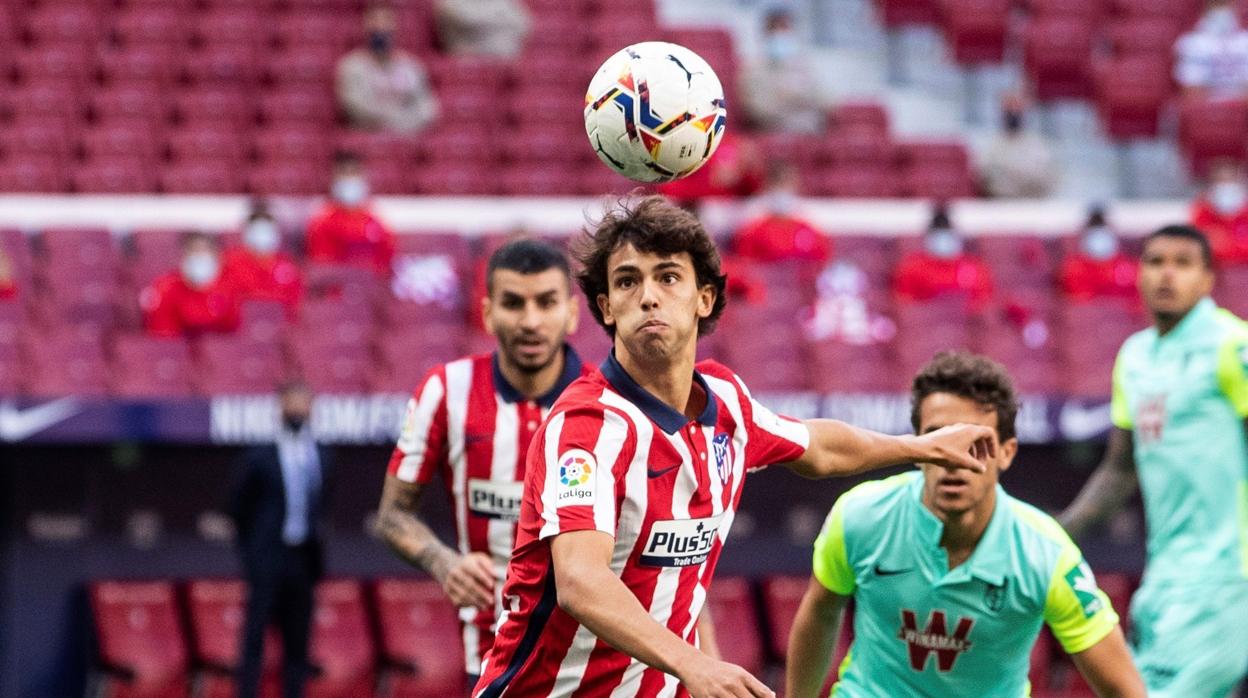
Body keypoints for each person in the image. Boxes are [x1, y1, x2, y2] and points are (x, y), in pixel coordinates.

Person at [472, 196, 996, 697]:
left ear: (705, 299)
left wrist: (920, 446)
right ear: (606, 309)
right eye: (627, 282)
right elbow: (581, 580)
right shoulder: (586, 425)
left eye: (668, 277)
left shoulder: (726, 403)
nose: (648, 296)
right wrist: (697, 665)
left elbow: (820, 447)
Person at [785, 351, 1145, 698]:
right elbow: (821, 611)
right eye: (938, 438)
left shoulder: (1047, 554)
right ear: (916, 445)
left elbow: (1122, 687)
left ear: (1007, 452)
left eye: (975, 442)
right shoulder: (860, 517)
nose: (953, 459)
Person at [376, 239, 589, 685]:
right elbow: (393, 515)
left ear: (571, 313)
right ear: (488, 313)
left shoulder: (609, 401)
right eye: (514, 303)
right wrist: (444, 563)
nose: (530, 321)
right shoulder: (445, 390)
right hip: (492, 654)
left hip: (597, 658)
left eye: (546, 303)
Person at [1059, 225, 1248, 697]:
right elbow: (1120, 469)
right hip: (1163, 577)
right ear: (1138, 275)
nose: (1167, 274)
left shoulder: (1232, 345)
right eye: (1156, 261)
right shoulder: (1135, 356)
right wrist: (1060, 530)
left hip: (1227, 574)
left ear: (1208, 280)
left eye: (1183, 263)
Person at [228, 382, 332, 698]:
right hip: (267, 559)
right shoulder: (260, 456)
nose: (299, 410)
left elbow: (322, 505)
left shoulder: (322, 455)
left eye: (305, 403)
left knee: (298, 642)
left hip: (302, 559)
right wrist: (253, 553)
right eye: (293, 403)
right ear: (281, 406)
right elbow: (237, 506)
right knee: (254, 639)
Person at [336, 3, 439, 133]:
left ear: (395, 28)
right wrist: (389, 120)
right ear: (365, 28)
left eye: (385, 22)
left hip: (407, 137)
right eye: (375, 22)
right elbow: (354, 106)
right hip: (367, 138)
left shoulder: (412, 66)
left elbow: (427, 110)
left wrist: (402, 124)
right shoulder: (351, 66)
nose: (380, 28)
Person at [739, 8, 831, 133]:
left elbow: (826, 101)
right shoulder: (754, 70)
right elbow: (758, 110)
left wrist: (791, 97)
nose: (781, 34)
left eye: (785, 29)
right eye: (775, 29)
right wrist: (797, 101)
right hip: (773, 135)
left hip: (810, 132)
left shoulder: (803, 66)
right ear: (765, 34)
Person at [305, 152, 397, 277]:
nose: (350, 180)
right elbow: (323, 269)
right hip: (339, 290)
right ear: (333, 180)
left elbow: (387, 260)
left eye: (354, 173)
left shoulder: (374, 221)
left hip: (371, 288)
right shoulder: (323, 223)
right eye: (344, 174)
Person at [892, 206, 994, 311]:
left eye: (948, 235)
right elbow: (904, 304)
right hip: (927, 322)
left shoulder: (974, 267)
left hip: (966, 323)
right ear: (928, 238)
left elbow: (985, 302)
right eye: (938, 236)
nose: (944, 241)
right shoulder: (912, 268)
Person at [140, 232, 241, 338]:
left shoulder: (232, 287)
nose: (199, 258)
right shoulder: (164, 289)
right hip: (178, 352)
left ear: (218, 257)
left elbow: (238, 337)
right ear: (181, 256)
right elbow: (162, 342)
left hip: (221, 352)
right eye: (193, 252)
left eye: (205, 252)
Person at [731, 162, 832, 264]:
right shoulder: (752, 229)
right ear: (767, 186)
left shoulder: (809, 226)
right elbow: (746, 263)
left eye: (786, 184)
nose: (782, 190)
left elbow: (822, 258)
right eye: (778, 183)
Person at [221, 203, 303, 318]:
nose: (262, 236)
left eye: (267, 230)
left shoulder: (288, 265)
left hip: (280, 329)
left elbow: (295, 304)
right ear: (246, 234)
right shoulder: (230, 262)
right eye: (257, 231)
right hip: (241, 328)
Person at [980, 94, 1057, 199]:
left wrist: (1015, 178)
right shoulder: (990, 145)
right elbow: (987, 179)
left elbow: (1047, 179)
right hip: (1000, 206)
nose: (1013, 113)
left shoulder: (1038, 145)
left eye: (1017, 110)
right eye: (1009, 110)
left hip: (1033, 206)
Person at [657, 132, 765, 207]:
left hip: (734, 206)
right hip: (701, 207)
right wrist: (711, 184)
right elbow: (668, 187)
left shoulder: (734, 142)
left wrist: (747, 171)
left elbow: (753, 190)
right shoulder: (685, 144)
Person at [1058, 207, 1139, 303]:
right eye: (1094, 233)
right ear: (1084, 237)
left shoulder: (1128, 267)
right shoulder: (1073, 269)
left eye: (1104, 232)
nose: (1100, 239)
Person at [1174, 0, 1248, 98]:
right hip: (1205, 111)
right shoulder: (1191, 43)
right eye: (1216, 4)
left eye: (1224, 4)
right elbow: (1192, 91)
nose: (1221, 10)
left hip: (1241, 111)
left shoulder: (1244, 41)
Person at [1191, 158, 1248, 265]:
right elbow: (1197, 247)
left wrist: (1226, 245)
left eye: (1230, 181)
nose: (1226, 187)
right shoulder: (1202, 211)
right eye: (1221, 182)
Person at [435, 0, 532, 58]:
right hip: (468, 55)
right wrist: (497, 19)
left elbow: (523, 23)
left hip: (504, 56)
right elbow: (467, 19)